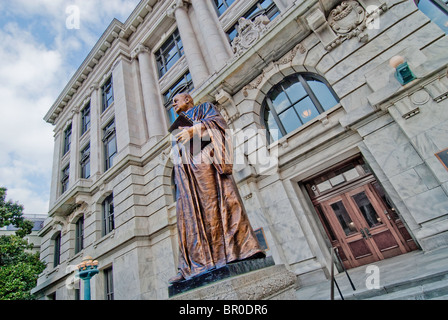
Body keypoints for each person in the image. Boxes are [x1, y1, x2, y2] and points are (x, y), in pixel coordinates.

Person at [168, 92, 264, 283]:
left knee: (214, 205)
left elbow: (220, 125)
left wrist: (195, 130)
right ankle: (193, 265)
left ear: (188, 99)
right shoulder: (177, 126)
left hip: (206, 163)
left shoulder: (204, 109)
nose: (173, 104)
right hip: (187, 173)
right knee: (189, 215)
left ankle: (230, 253)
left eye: (176, 100)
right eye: (171, 103)